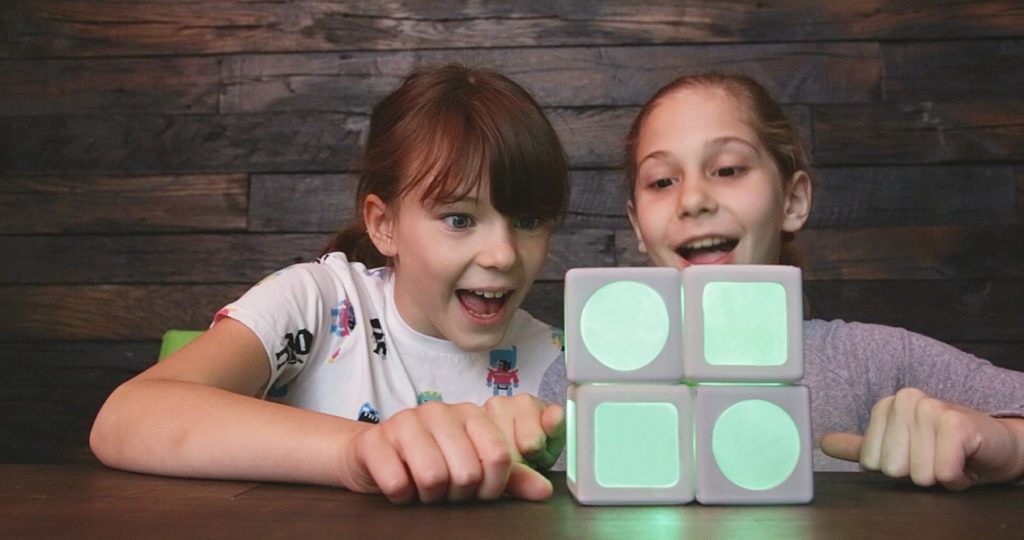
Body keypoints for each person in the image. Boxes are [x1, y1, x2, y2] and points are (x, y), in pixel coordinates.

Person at [90, 64, 571, 504]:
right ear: (384, 225)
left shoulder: (568, 365)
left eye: (528, 221)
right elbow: (126, 417)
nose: (503, 255)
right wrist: (359, 451)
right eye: (459, 219)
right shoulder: (316, 303)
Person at [623, 72, 1024, 490]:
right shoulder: (584, 382)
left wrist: (1011, 446)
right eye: (662, 181)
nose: (692, 200)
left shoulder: (866, 359)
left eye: (727, 169)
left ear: (792, 201)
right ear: (637, 225)